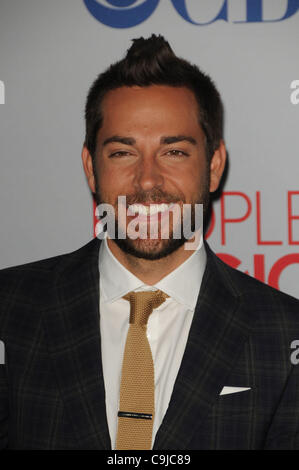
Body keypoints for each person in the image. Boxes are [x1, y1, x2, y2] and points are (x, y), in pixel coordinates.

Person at [1, 34, 299, 451]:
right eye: (123, 153)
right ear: (91, 168)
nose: (147, 181)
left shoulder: (285, 334)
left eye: (173, 152)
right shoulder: (9, 309)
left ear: (213, 166)